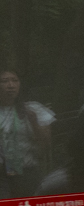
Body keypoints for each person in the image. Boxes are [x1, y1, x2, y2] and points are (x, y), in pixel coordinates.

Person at [0, 68, 53, 198]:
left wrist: (34, 122)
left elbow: (47, 143)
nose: (10, 85)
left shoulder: (33, 108)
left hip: (27, 171)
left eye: (15, 80)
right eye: (5, 81)